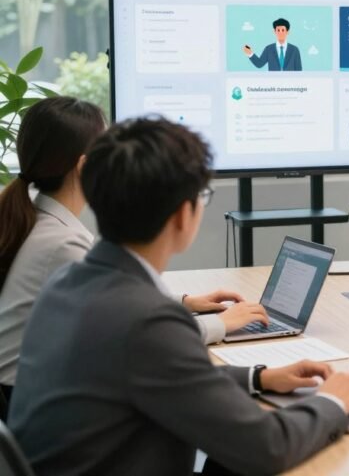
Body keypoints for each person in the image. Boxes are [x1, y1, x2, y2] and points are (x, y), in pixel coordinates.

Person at [9, 117, 349, 475]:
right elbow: (267, 448)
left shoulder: (69, 280)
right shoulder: (146, 321)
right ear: (184, 215)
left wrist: (259, 377)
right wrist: (333, 401)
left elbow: (161, 375)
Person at [0, 98, 265, 408]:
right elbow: (135, 336)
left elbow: (112, 303)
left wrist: (184, 303)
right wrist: (223, 323)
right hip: (33, 398)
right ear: (86, 166)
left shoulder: (36, 220)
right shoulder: (60, 244)